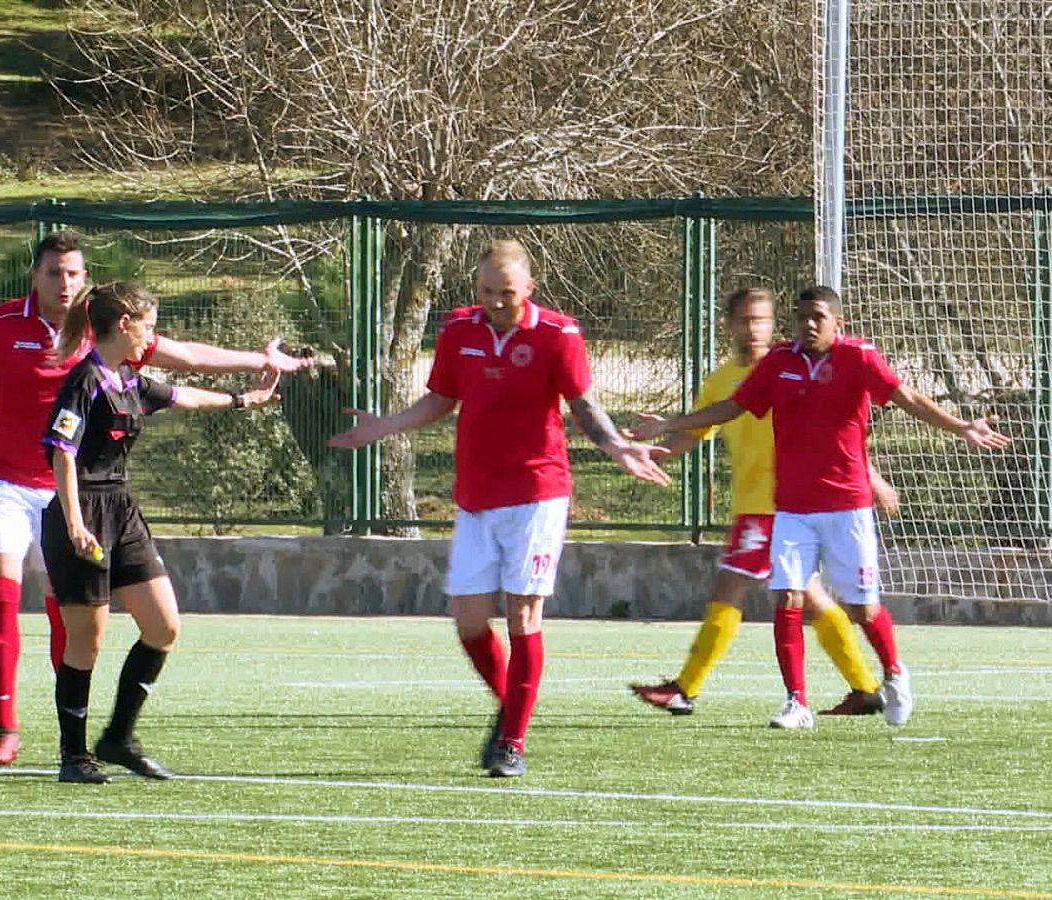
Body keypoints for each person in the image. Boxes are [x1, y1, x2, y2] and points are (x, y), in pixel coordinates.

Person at [0, 231, 311, 766]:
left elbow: (184, 362)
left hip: (76, 492)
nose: (64, 283)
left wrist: (256, 363)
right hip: (6, 482)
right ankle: (5, 729)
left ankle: (78, 736)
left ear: (85, 279)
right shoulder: (1, 325)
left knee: (73, 619)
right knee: (1, 591)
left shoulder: (111, 327)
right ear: (34, 277)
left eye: (73, 273)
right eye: (53, 273)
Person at [327, 240, 670, 778]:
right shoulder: (459, 331)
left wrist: (617, 447)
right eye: (487, 292)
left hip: (537, 495)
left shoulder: (559, 335)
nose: (496, 303)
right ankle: (514, 708)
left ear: (528, 289)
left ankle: (511, 740)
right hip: (476, 497)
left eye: (506, 293)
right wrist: (383, 426)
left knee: (522, 616)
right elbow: (440, 400)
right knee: (466, 620)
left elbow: (583, 406)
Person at [629, 284, 1011, 728]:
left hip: (846, 508)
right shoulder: (778, 364)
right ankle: (796, 701)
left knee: (860, 608)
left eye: (817, 317)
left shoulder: (859, 357)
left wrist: (961, 427)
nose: (807, 325)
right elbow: (731, 409)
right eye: (801, 316)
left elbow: (908, 399)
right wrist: (670, 425)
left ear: (837, 322)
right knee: (785, 596)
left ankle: (888, 674)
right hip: (789, 507)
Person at [41, 281, 281, 784]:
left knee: (164, 626)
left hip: (122, 511)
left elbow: (184, 397)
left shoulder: (129, 381)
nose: (152, 335)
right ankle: (73, 755)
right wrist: (75, 523)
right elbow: (62, 451)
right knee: (87, 639)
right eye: (148, 325)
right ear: (123, 324)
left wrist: (243, 399)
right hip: (81, 512)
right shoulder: (85, 381)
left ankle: (119, 737)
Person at [628, 287, 894, 725]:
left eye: (761, 321)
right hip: (761, 506)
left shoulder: (789, 369)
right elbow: (697, 431)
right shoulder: (726, 379)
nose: (753, 329)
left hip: (782, 506)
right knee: (811, 597)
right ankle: (865, 686)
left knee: (731, 586)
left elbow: (839, 437)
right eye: (745, 321)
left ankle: (685, 688)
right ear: (729, 326)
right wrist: (656, 450)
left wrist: (872, 477)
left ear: (774, 325)